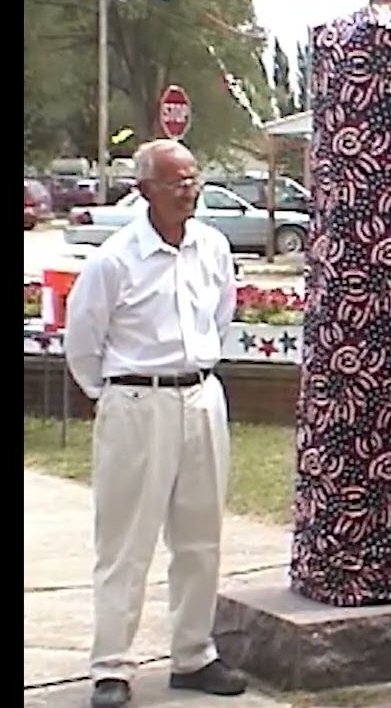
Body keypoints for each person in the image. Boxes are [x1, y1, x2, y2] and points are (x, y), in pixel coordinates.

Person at [64, 139, 247, 708]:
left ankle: (193, 654)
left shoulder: (212, 247)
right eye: (175, 182)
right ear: (145, 189)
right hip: (136, 404)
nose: (187, 191)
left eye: (193, 179)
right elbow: (83, 346)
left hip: (199, 397)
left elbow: (222, 313)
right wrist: (117, 396)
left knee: (199, 538)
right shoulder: (115, 259)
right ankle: (112, 665)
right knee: (125, 540)